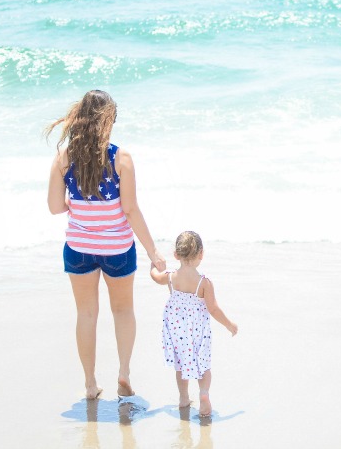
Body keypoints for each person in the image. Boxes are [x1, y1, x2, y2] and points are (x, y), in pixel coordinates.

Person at [46, 89, 166, 400]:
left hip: (79, 248)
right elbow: (130, 209)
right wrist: (153, 251)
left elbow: (55, 207)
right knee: (123, 310)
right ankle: (124, 373)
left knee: (86, 314)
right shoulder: (121, 158)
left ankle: (89, 384)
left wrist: (81, 208)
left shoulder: (64, 158)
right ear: (107, 121)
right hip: (116, 249)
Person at [150, 231, 238, 417]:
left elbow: (156, 277)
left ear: (176, 255)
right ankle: (204, 393)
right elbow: (213, 309)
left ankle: (183, 398)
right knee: (202, 364)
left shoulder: (171, 276)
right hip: (198, 330)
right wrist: (229, 324)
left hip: (176, 330)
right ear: (201, 254)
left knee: (181, 365)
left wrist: (153, 266)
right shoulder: (203, 282)